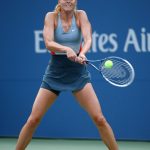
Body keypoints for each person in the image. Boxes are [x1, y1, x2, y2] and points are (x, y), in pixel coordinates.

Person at [16, 0, 118, 150]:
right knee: (33, 120)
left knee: (100, 119)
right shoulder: (51, 17)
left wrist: (82, 53)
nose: (68, 1)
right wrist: (66, 49)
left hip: (78, 73)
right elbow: (48, 42)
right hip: (55, 73)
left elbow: (88, 39)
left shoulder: (81, 15)